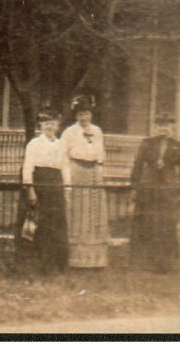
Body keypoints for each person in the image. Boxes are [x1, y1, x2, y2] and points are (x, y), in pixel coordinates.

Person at [130, 111, 180, 274]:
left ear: (173, 127)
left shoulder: (179, 146)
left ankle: (166, 264)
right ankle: (145, 263)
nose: (164, 129)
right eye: (160, 125)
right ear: (155, 127)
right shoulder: (146, 143)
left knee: (166, 226)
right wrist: (135, 186)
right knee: (147, 224)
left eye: (167, 125)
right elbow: (138, 165)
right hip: (149, 189)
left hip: (168, 190)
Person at [60, 95, 109, 268]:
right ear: (75, 115)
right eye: (80, 114)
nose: (84, 117)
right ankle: (76, 260)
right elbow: (64, 157)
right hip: (77, 172)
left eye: (87, 113)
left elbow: (101, 154)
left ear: (91, 114)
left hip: (94, 174)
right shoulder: (69, 132)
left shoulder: (97, 131)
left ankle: (96, 260)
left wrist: (100, 171)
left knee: (95, 214)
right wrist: (67, 181)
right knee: (79, 214)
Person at [22, 108, 70, 274]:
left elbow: (65, 167)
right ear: (41, 126)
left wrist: (67, 188)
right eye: (46, 123)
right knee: (43, 223)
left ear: (58, 126)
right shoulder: (34, 144)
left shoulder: (61, 144)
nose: (50, 126)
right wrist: (30, 190)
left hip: (56, 184)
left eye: (53, 123)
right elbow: (28, 167)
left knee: (58, 223)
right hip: (41, 183)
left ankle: (60, 264)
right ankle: (43, 263)